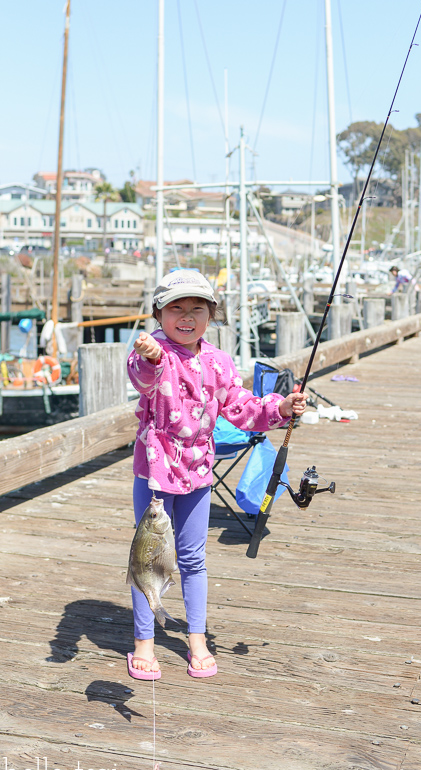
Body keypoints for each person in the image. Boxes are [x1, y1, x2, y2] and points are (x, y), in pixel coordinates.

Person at [126, 269, 307, 679]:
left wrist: (279, 409)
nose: (186, 316)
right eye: (176, 308)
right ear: (158, 314)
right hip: (154, 474)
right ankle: (143, 641)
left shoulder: (219, 362)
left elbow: (242, 408)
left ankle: (196, 637)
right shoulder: (152, 351)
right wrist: (150, 358)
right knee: (145, 561)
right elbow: (143, 378)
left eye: (197, 309)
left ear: (211, 316)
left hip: (199, 472)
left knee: (193, 559)